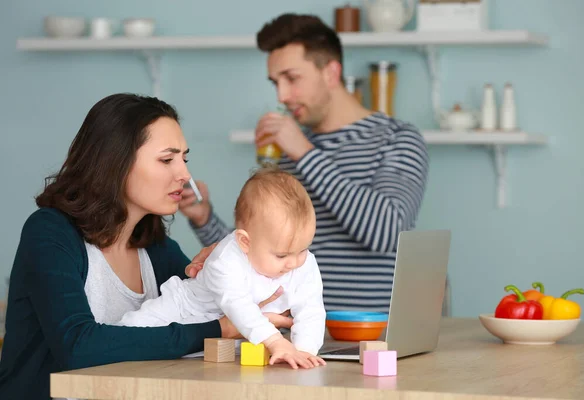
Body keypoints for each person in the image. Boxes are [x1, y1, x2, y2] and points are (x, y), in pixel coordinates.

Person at [0, 93, 291, 400]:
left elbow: (202, 310)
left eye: (184, 159)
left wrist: (229, 273)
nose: (184, 174)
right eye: (167, 159)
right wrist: (221, 328)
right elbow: (77, 346)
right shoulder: (50, 233)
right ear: (116, 162)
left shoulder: (155, 247)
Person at [180, 13, 430, 312]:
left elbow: (385, 233)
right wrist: (203, 218)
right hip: (293, 340)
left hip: (371, 336)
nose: (282, 95)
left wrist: (305, 152)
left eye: (292, 78)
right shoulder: (289, 151)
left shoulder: (397, 139)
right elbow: (256, 253)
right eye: (275, 82)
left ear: (331, 73)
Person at [117, 167, 327, 369]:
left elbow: (311, 309)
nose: (294, 263)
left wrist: (304, 351)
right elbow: (238, 306)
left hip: (236, 332)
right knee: (132, 331)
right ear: (245, 242)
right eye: (281, 255)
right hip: (185, 309)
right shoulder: (226, 259)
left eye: (302, 249)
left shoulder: (303, 262)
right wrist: (276, 342)